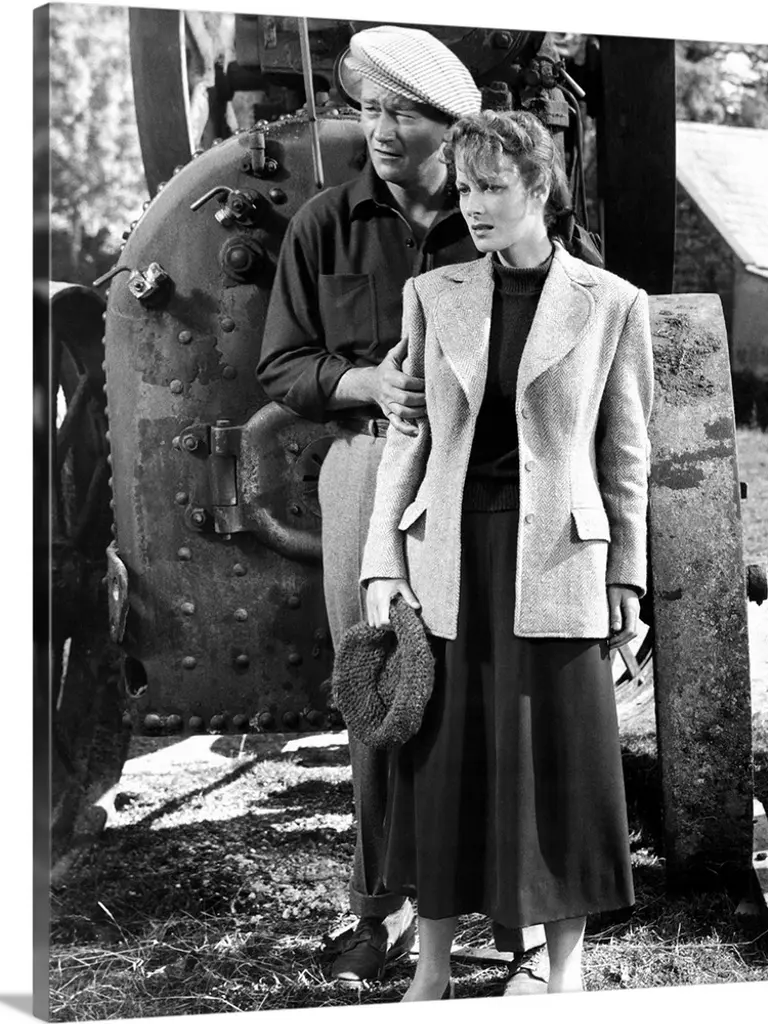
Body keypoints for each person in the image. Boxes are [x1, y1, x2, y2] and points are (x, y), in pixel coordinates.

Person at [360, 108, 654, 1000]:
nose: (475, 205)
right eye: (465, 188)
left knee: (561, 769)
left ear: (540, 188)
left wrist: (626, 574)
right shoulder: (432, 295)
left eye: (493, 187)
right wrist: (383, 561)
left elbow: (625, 456)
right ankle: (433, 972)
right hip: (450, 557)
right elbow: (406, 439)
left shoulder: (613, 304)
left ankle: (565, 973)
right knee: (445, 768)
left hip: (559, 563)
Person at [256, 26, 490, 984]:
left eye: (402, 114)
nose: (381, 131)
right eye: (369, 110)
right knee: (377, 684)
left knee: (483, 681)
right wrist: (364, 384)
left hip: (484, 476)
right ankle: (379, 908)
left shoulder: (498, 213)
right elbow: (282, 364)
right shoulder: (323, 222)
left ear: (449, 126)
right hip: (364, 464)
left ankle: (500, 905)